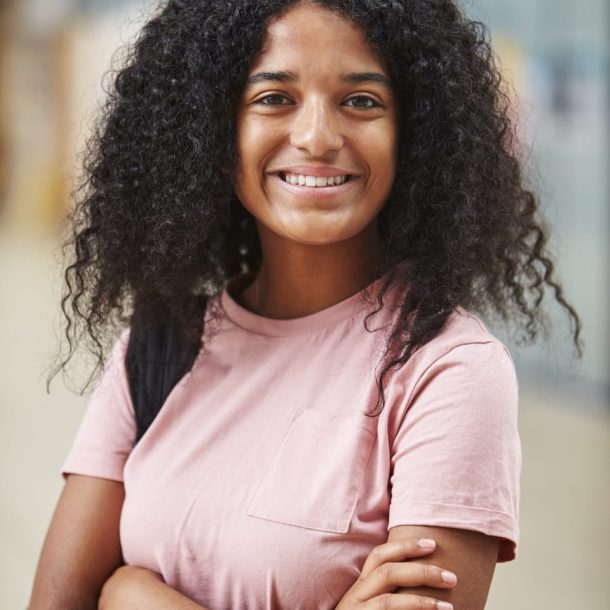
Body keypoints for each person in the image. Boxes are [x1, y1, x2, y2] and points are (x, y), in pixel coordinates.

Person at [30, 1, 581, 609]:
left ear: (416, 135)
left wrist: (134, 597)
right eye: (273, 98)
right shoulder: (158, 347)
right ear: (212, 129)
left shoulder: (446, 370)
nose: (317, 136)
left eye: (362, 101)